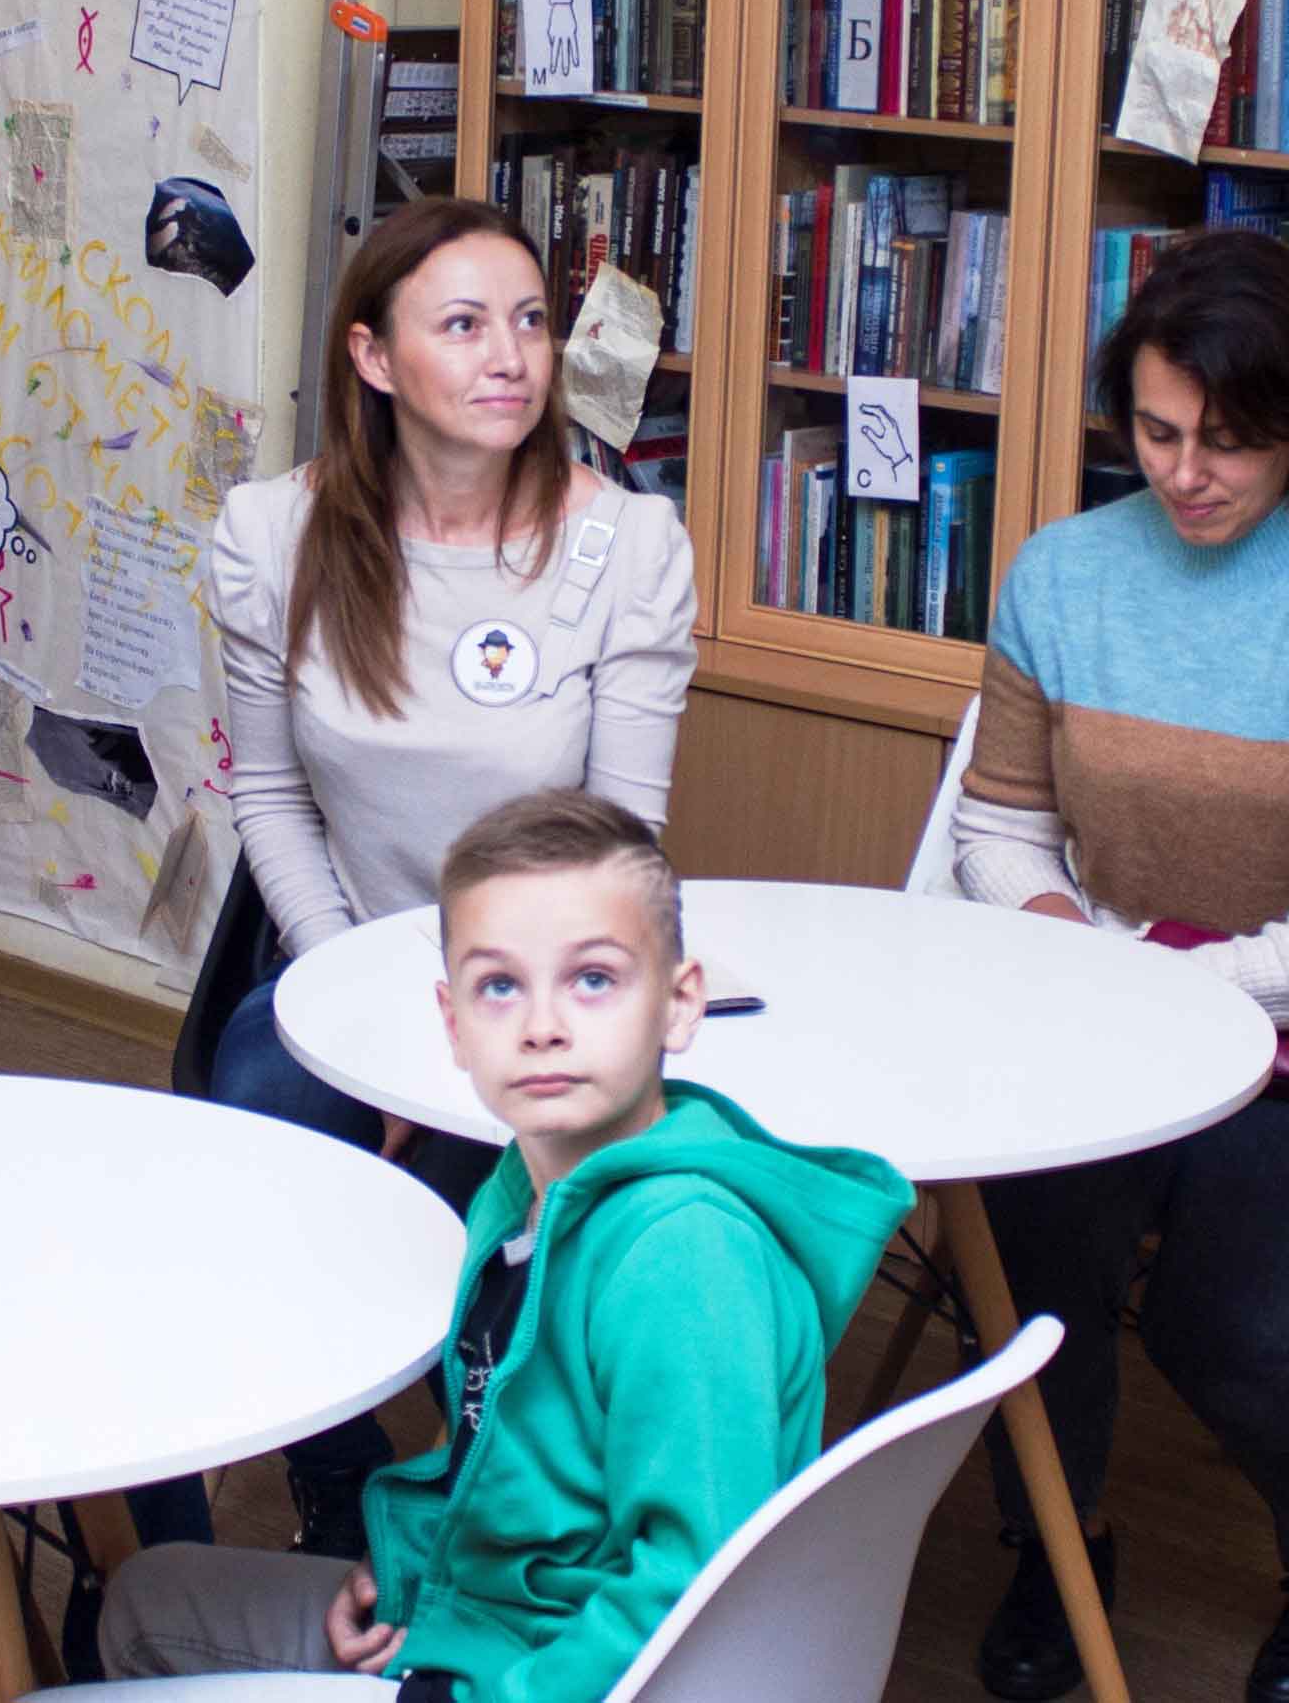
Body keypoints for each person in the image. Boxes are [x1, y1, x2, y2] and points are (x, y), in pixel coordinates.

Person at [949, 231, 1289, 1703]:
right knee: (1028, 1273)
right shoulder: (1061, 574)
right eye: (1158, 431)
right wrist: (1076, 951)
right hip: (1108, 1014)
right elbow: (999, 823)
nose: (1186, 473)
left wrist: (1163, 989)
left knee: (1226, 1317)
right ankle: (1059, 1548)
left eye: (1228, 441)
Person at [93, 790, 910, 1698]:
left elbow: (692, 1590)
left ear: (680, 1004)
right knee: (141, 1594)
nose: (542, 1024)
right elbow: (508, 1455)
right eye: (499, 986)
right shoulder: (518, 1189)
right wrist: (412, 1568)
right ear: (453, 1024)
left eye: (592, 978)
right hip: (488, 1621)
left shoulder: (684, 1258)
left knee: (126, 1629)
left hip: (550, 1673)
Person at [200, 195, 699, 1548]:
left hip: (551, 984)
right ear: (372, 356)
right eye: (465, 324)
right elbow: (268, 795)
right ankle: (337, 1474)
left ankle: (506, 1510)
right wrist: (365, 1013)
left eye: (530, 321)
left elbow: (616, 842)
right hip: (347, 957)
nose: (511, 357)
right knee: (259, 1146)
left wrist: (475, 1038)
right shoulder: (272, 535)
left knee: (509, 1251)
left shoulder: (625, 546)